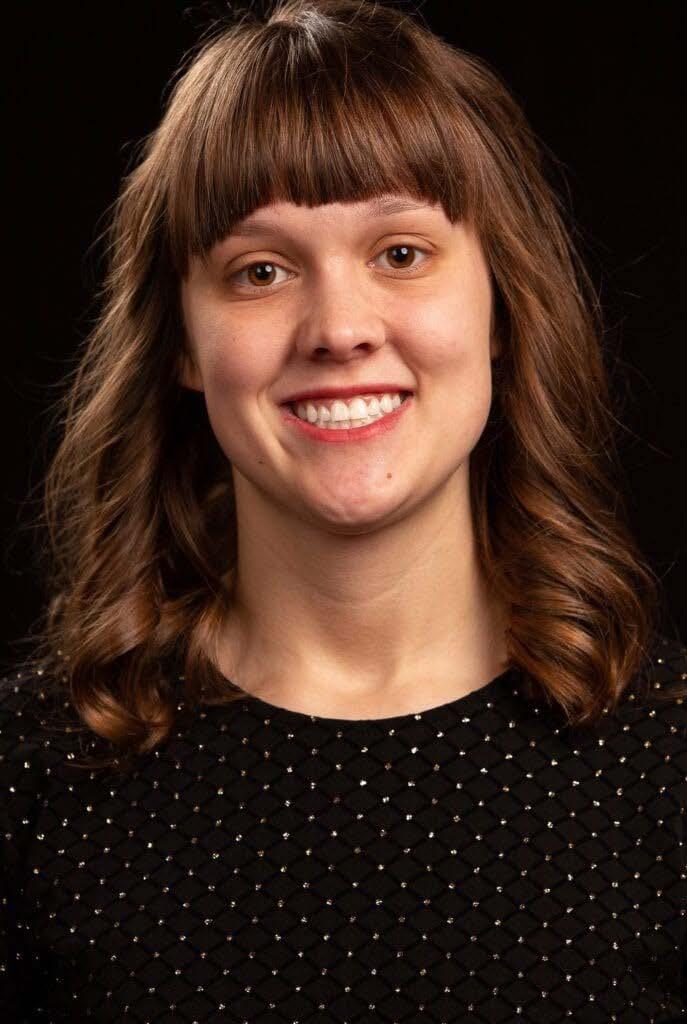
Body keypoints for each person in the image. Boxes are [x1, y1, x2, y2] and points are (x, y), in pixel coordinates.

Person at [2, 0, 685, 1021]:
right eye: (261, 270)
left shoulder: (668, 766)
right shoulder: (29, 775)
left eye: (400, 253)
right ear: (181, 343)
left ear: (503, 305)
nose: (338, 328)